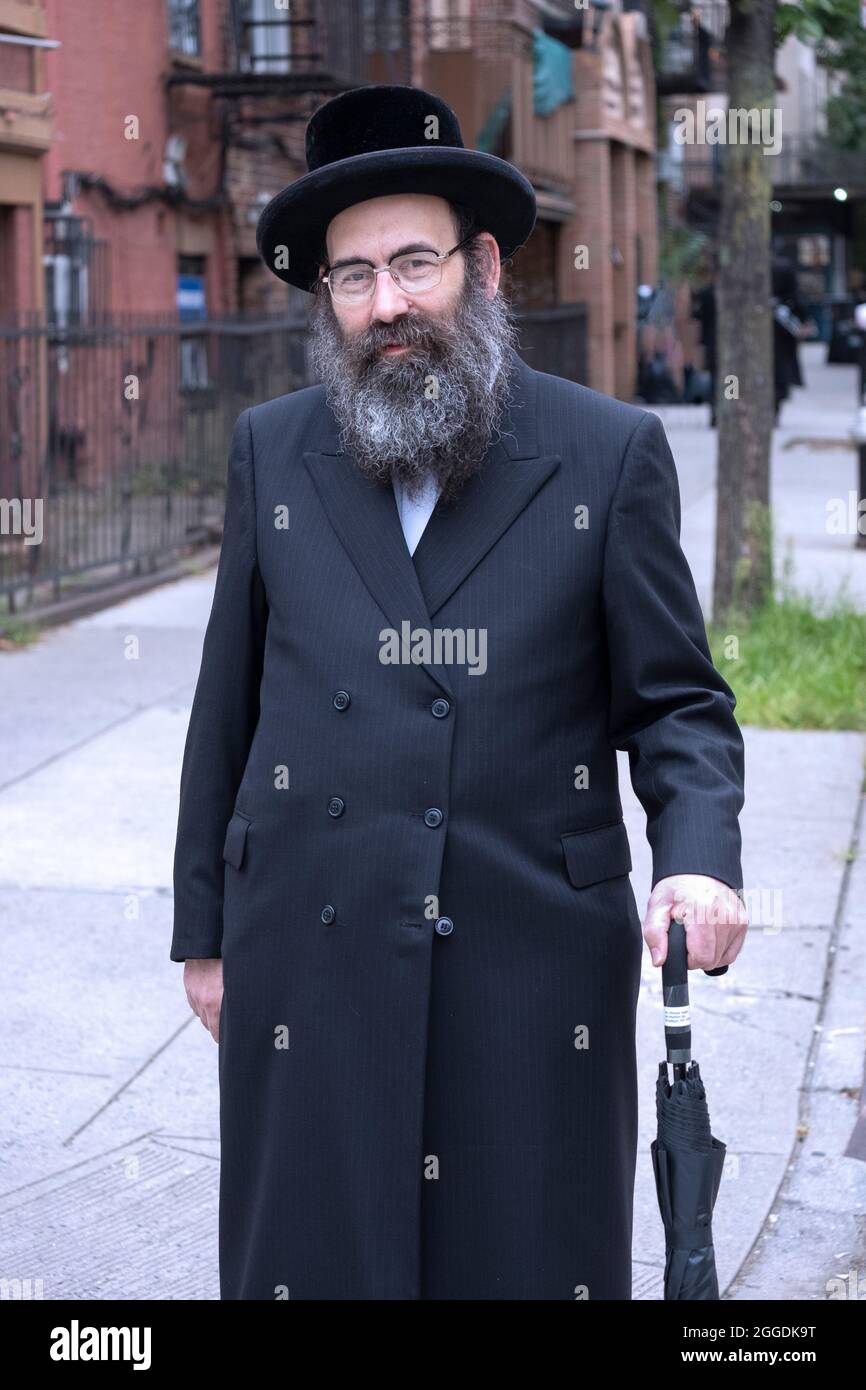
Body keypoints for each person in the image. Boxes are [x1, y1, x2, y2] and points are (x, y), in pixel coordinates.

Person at [171, 83, 748, 1301]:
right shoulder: (275, 451)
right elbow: (227, 705)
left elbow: (676, 704)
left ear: (482, 267)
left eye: (413, 262)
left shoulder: (607, 451)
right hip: (311, 954)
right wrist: (205, 935)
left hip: (527, 966)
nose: (386, 304)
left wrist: (696, 857)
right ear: (327, 298)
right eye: (352, 276)